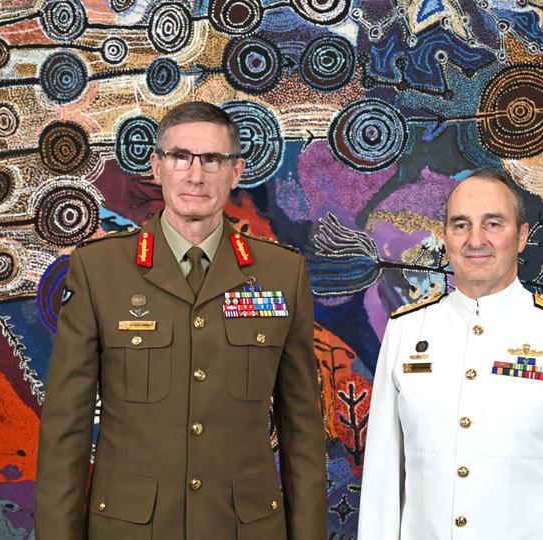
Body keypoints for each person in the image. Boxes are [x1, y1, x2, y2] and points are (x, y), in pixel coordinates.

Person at [35, 101, 326, 540]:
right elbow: (65, 429)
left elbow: (302, 430)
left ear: (237, 171)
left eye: (213, 159)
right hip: (132, 529)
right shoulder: (99, 271)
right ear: (156, 167)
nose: (196, 175)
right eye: (180, 157)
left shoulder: (281, 274)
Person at [357, 170, 543, 539]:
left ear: (522, 236)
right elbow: (381, 481)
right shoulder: (406, 332)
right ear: (445, 237)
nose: (475, 240)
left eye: (493, 224)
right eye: (460, 225)